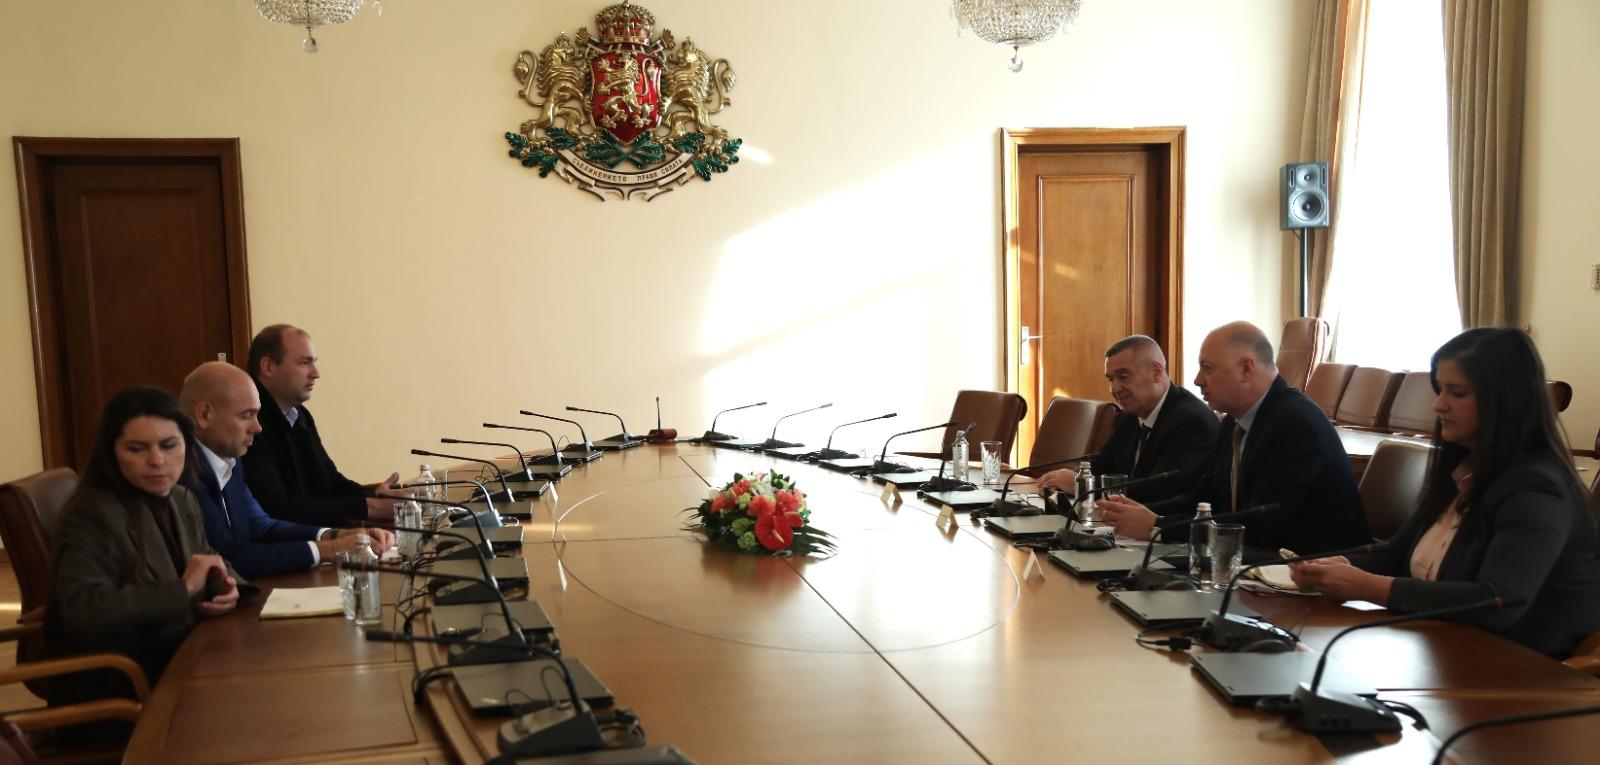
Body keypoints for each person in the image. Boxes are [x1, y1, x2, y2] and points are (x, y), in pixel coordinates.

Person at [1290, 328, 1600, 658]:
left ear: (1505, 400)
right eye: (1440, 390)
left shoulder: (1539, 489)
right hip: (1443, 646)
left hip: (1522, 666)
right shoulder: (1462, 469)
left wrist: (1364, 586)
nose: (1438, 405)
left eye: (1457, 393)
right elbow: (1397, 555)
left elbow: (1497, 602)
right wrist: (1335, 567)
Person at [46, 386, 250, 710]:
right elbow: (85, 611)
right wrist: (184, 589)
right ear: (111, 452)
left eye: (169, 445)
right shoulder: (90, 514)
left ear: (187, 444)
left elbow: (207, 557)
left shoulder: (182, 498)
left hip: (178, 660)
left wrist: (225, 585)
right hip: (120, 688)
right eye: (137, 449)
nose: (157, 461)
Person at [1097, 321, 1369, 553]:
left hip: (1313, 573)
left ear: (1246, 369)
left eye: (1208, 368)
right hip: (1254, 563)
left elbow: (1264, 524)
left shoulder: (1295, 423)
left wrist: (1159, 528)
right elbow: (1204, 498)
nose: (1197, 380)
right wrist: (1142, 514)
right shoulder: (1233, 422)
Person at [179, 362, 393, 578]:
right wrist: (330, 550)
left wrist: (333, 535)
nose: (257, 427)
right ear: (205, 414)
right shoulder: (184, 473)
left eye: (257, 415)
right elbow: (232, 558)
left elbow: (263, 527)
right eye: (245, 416)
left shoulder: (230, 461)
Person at [241, 324, 405, 527]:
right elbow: (277, 509)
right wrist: (371, 507)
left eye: (314, 362)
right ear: (268, 367)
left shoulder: (299, 415)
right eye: (304, 363)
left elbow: (329, 483)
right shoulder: (248, 422)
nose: (315, 373)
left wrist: (375, 495)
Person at [1036, 335, 1217, 502]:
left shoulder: (1191, 422)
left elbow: (1160, 491)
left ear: (1156, 372)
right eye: (1111, 379)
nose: (1114, 389)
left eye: (1123, 377)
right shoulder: (1131, 414)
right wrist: (1071, 477)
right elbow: (1103, 463)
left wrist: (1083, 485)